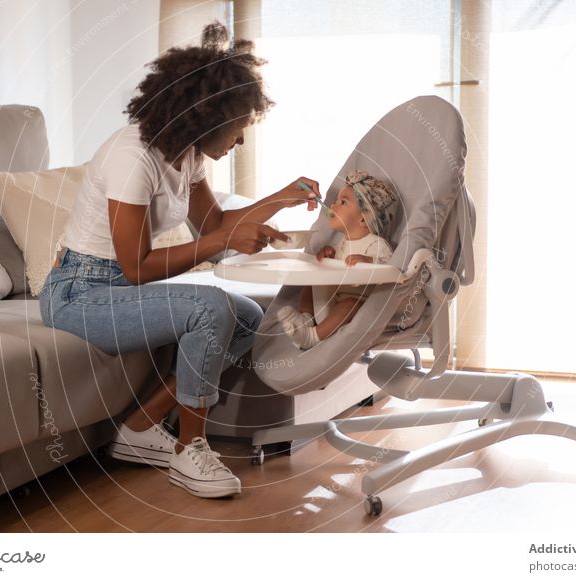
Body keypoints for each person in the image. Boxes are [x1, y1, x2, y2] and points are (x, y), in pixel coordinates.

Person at [38, 22, 321, 499]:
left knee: (252, 318)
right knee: (211, 307)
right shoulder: (134, 157)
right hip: (79, 292)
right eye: (238, 126)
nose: (241, 140)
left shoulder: (187, 155)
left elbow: (212, 227)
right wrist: (222, 241)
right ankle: (191, 449)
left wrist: (280, 198)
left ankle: (141, 426)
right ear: (207, 117)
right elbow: (137, 268)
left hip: (117, 290)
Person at [277, 170, 397, 349]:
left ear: (363, 219)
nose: (333, 206)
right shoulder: (342, 243)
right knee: (311, 283)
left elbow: (389, 269)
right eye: (336, 201)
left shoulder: (376, 245)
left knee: (350, 304)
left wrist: (368, 261)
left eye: (343, 202)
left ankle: (311, 337)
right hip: (334, 303)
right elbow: (337, 269)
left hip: (358, 309)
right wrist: (329, 255)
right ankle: (306, 320)